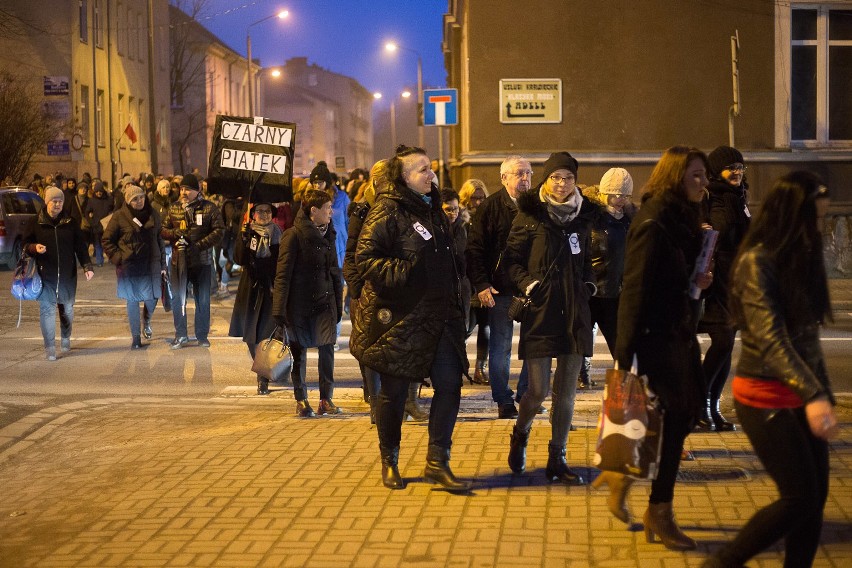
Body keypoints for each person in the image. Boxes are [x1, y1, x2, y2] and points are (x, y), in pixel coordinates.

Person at [702, 172, 837, 568]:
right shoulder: (756, 261)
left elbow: (808, 342)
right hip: (765, 397)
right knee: (799, 498)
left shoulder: (803, 256)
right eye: (815, 216)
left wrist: (822, 395)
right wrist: (814, 396)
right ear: (793, 214)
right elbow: (772, 339)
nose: (820, 224)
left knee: (814, 502)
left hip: (802, 395)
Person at [607, 146, 713, 549]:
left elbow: (679, 279)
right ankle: (659, 508)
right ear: (675, 178)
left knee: (686, 414)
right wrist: (624, 354)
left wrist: (698, 282)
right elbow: (633, 288)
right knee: (675, 413)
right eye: (696, 176)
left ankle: (628, 477)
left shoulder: (685, 219)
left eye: (704, 175)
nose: (703, 183)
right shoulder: (654, 222)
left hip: (678, 332)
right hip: (653, 336)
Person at [352, 145, 470, 491]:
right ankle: (390, 460)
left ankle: (438, 462)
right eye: (422, 170)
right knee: (393, 393)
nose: (431, 174)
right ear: (404, 178)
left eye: (431, 168)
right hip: (402, 317)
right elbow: (366, 259)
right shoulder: (387, 210)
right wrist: (407, 271)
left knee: (450, 386)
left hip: (441, 317)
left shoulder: (433, 208)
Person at [503, 152, 592, 485]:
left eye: (568, 177)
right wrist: (530, 283)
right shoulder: (530, 215)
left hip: (574, 312)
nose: (562, 184)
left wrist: (589, 284)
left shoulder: (583, 216)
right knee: (537, 392)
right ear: (546, 179)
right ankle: (521, 433)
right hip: (541, 310)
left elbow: (587, 261)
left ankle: (558, 457)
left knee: (566, 393)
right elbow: (511, 261)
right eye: (555, 177)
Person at [344, 160, 428, 424]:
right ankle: (376, 403)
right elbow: (353, 255)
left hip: (401, 288)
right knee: (373, 351)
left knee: (405, 346)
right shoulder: (363, 209)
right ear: (377, 181)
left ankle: (409, 401)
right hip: (373, 290)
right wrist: (359, 290)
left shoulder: (405, 206)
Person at [466, 156, 533, 418]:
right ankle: (503, 399)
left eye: (528, 173)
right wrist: (481, 284)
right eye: (518, 173)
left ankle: (527, 394)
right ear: (504, 177)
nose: (525, 178)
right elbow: (475, 249)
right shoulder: (491, 207)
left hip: (531, 286)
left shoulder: (537, 205)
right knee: (501, 346)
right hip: (500, 288)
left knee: (533, 345)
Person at [272, 189, 343, 417]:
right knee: (299, 351)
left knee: (327, 348)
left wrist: (338, 304)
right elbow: (282, 274)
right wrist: (279, 309)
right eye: (327, 208)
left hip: (324, 302)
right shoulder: (293, 235)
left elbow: (334, 271)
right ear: (314, 211)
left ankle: (326, 399)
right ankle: (301, 399)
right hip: (299, 304)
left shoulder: (328, 233)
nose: (331, 212)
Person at [696, 146, 751, 431]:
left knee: (728, 346)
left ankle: (712, 406)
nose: (737, 173)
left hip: (735, 283)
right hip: (716, 282)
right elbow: (712, 233)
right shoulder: (712, 196)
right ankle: (698, 404)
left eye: (741, 167)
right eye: (732, 168)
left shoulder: (739, 196)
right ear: (717, 171)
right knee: (723, 341)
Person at [578, 168, 635, 388]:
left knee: (620, 344)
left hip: (615, 292)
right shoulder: (593, 219)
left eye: (625, 195)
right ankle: (582, 375)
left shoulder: (629, 221)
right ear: (605, 193)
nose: (620, 200)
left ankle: (624, 387)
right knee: (582, 341)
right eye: (616, 194)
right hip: (592, 290)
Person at [24, 186, 94, 360]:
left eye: (60, 202)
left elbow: (80, 246)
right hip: (44, 274)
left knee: (67, 309)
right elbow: (24, 246)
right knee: (47, 310)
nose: (57, 205)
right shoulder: (36, 222)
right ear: (47, 202)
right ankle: (49, 348)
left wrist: (87, 266)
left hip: (67, 275)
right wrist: (34, 247)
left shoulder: (70, 223)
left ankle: (65, 336)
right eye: (54, 201)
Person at [160, 173, 225, 349]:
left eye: (188, 189)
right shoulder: (174, 208)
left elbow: (219, 231)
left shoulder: (209, 208)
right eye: (182, 189)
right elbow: (163, 229)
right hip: (178, 261)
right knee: (178, 300)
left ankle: (202, 335)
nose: (183, 192)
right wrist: (175, 234)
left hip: (201, 262)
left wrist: (199, 245)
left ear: (197, 191)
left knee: (202, 300)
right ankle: (181, 335)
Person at [102, 185, 166, 349]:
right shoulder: (119, 217)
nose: (139, 201)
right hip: (130, 266)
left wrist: (163, 264)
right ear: (128, 201)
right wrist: (119, 258)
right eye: (135, 199)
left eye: (141, 197)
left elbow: (159, 240)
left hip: (151, 263)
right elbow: (107, 240)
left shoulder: (153, 214)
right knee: (132, 301)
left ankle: (147, 319)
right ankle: (136, 338)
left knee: (152, 298)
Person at [228, 203, 282, 395]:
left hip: (270, 288)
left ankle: (263, 377)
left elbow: (280, 261)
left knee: (265, 334)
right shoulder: (248, 233)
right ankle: (262, 366)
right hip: (250, 287)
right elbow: (239, 259)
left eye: (268, 211)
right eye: (260, 211)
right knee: (250, 334)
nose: (264, 215)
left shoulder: (278, 233)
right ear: (253, 214)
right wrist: (243, 237)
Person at [458, 179, 490, 384]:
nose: (478, 203)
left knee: (486, 326)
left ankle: (480, 368)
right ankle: (459, 366)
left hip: (485, 279)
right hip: (466, 280)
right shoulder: (461, 220)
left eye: (481, 198)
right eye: (473, 198)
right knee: (465, 327)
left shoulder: (489, 218)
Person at [84, 181, 113, 267]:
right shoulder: (92, 201)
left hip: (106, 225)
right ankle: (99, 261)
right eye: (97, 192)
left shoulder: (108, 200)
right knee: (97, 244)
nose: (99, 193)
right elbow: (87, 212)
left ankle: (110, 258)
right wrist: (91, 222)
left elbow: (112, 210)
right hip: (96, 225)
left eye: (100, 191)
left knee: (107, 243)